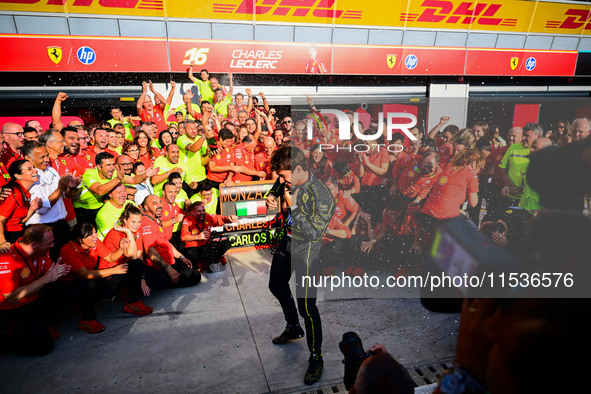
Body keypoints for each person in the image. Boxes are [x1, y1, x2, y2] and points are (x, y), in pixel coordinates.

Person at [266, 145, 334, 385]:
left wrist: (293, 205)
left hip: (307, 251)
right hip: (287, 242)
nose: (281, 180)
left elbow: (315, 232)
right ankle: (293, 326)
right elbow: (278, 186)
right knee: (276, 285)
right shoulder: (287, 180)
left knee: (307, 306)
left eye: (284, 175)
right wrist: (274, 194)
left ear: (297, 169)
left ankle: (316, 355)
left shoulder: (322, 194)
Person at [0, 224, 70, 355]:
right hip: (13, 307)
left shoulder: (41, 251)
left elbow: (47, 272)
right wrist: (48, 277)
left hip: (34, 298)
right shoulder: (6, 259)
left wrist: (59, 271)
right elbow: (11, 298)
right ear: (34, 245)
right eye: (49, 243)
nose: (53, 246)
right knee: (43, 346)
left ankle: (41, 326)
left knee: (67, 292)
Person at [58, 222, 133, 333]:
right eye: (91, 235)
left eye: (95, 233)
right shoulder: (68, 250)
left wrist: (121, 249)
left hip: (90, 278)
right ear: (80, 239)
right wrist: (114, 270)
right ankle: (87, 320)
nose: (96, 237)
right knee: (87, 283)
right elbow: (85, 274)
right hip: (70, 285)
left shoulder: (95, 243)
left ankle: (133, 301)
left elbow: (111, 257)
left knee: (133, 266)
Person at [22, 141, 80, 261]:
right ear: (28, 158)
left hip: (60, 225)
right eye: (42, 157)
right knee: (47, 263)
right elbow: (42, 208)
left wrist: (71, 187)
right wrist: (60, 188)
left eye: (47, 155)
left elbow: (66, 196)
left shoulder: (51, 170)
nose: (47, 159)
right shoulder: (30, 177)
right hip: (42, 230)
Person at [101, 204, 153, 316]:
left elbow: (139, 254)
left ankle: (131, 294)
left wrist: (142, 279)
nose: (137, 225)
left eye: (139, 222)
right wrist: (128, 232)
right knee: (137, 265)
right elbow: (132, 255)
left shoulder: (136, 232)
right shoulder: (116, 233)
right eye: (133, 222)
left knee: (156, 277)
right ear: (125, 220)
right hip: (109, 274)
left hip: (125, 267)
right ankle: (132, 302)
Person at [140, 195, 201, 289]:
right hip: (159, 267)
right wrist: (168, 269)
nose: (159, 205)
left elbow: (166, 243)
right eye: (154, 203)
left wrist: (181, 257)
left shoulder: (156, 220)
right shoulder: (146, 222)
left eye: (159, 202)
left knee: (192, 269)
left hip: (169, 262)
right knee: (194, 276)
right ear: (146, 207)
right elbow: (150, 251)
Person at [180, 202, 237, 272]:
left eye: (203, 210)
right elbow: (183, 237)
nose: (202, 213)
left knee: (227, 243)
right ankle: (211, 260)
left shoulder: (207, 216)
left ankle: (206, 262)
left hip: (207, 246)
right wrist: (198, 236)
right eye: (199, 211)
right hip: (195, 248)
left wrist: (229, 218)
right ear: (193, 212)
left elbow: (219, 218)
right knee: (188, 253)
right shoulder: (187, 220)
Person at [0, 160, 43, 251]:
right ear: (18, 176)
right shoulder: (14, 193)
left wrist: (32, 209)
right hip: (8, 237)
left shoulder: (22, 191)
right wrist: (2, 242)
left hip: (17, 234)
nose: (35, 170)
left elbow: (18, 221)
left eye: (34, 167)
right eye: (29, 169)